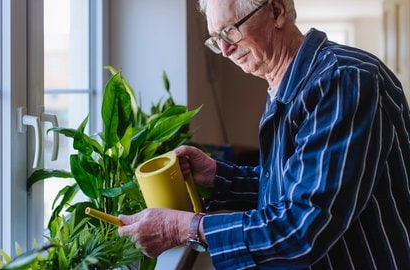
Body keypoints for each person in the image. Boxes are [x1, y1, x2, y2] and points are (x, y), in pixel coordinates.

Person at [118, 0, 410, 268]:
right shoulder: (284, 84)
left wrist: (183, 228)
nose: (226, 50)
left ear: (277, 10)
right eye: (217, 39)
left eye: (230, 30)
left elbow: (302, 227)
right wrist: (218, 175)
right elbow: (294, 185)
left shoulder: (342, 81)